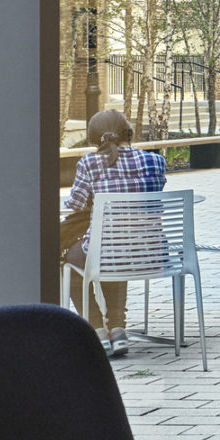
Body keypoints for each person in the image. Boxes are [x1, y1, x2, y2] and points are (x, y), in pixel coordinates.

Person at [61, 109, 167, 357]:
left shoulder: (90, 163)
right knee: (118, 247)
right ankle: (118, 329)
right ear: (127, 132)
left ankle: (97, 329)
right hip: (152, 254)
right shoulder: (156, 161)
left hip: (110, 252)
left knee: (75, 256)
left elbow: (75, 204)